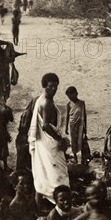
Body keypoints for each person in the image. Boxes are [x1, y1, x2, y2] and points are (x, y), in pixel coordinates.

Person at [28, 73, 70, 206]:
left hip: (44, 143)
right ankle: (59, 201)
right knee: (57, 173)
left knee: (42, 172)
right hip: (49, 144)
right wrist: (60, 139)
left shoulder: (41, 100)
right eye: (50, 86)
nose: (54, 89)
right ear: (44, 86)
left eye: (56, 87)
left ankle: (40, 203)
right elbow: (46, 126)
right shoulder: (46, 103)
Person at [65, 86, 88, 164]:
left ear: (76, 94)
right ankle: (75, 158)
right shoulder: (69, 104)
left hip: (80, 125)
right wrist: (66, 128)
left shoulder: (82, 103)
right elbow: (67, 116)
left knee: (81, 141)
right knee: (73, 141)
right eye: (68, 96)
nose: (70, 98)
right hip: (72, 126)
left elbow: (84, 115)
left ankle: (83, 158)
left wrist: (85, 127)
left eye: (71, 95)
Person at [16, 97, 36, 171]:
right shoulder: (29, 114)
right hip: (23, 138)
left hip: (20, 137)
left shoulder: (26, 112)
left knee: (21, 160)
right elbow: (25, 127)